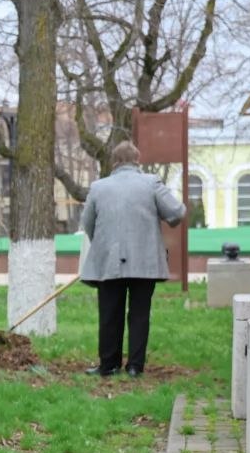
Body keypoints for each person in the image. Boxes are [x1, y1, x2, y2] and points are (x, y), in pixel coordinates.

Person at [79, 141, 185, 378]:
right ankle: (135, 366)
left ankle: (108, 365)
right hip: (145, 261)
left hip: (109, 261)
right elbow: (177, 212)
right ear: (137, 161)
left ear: (114, 162)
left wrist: (104, 243)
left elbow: (87, 223)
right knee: (139, 314)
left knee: (109, 314)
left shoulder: (98, 187)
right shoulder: (151, 183)